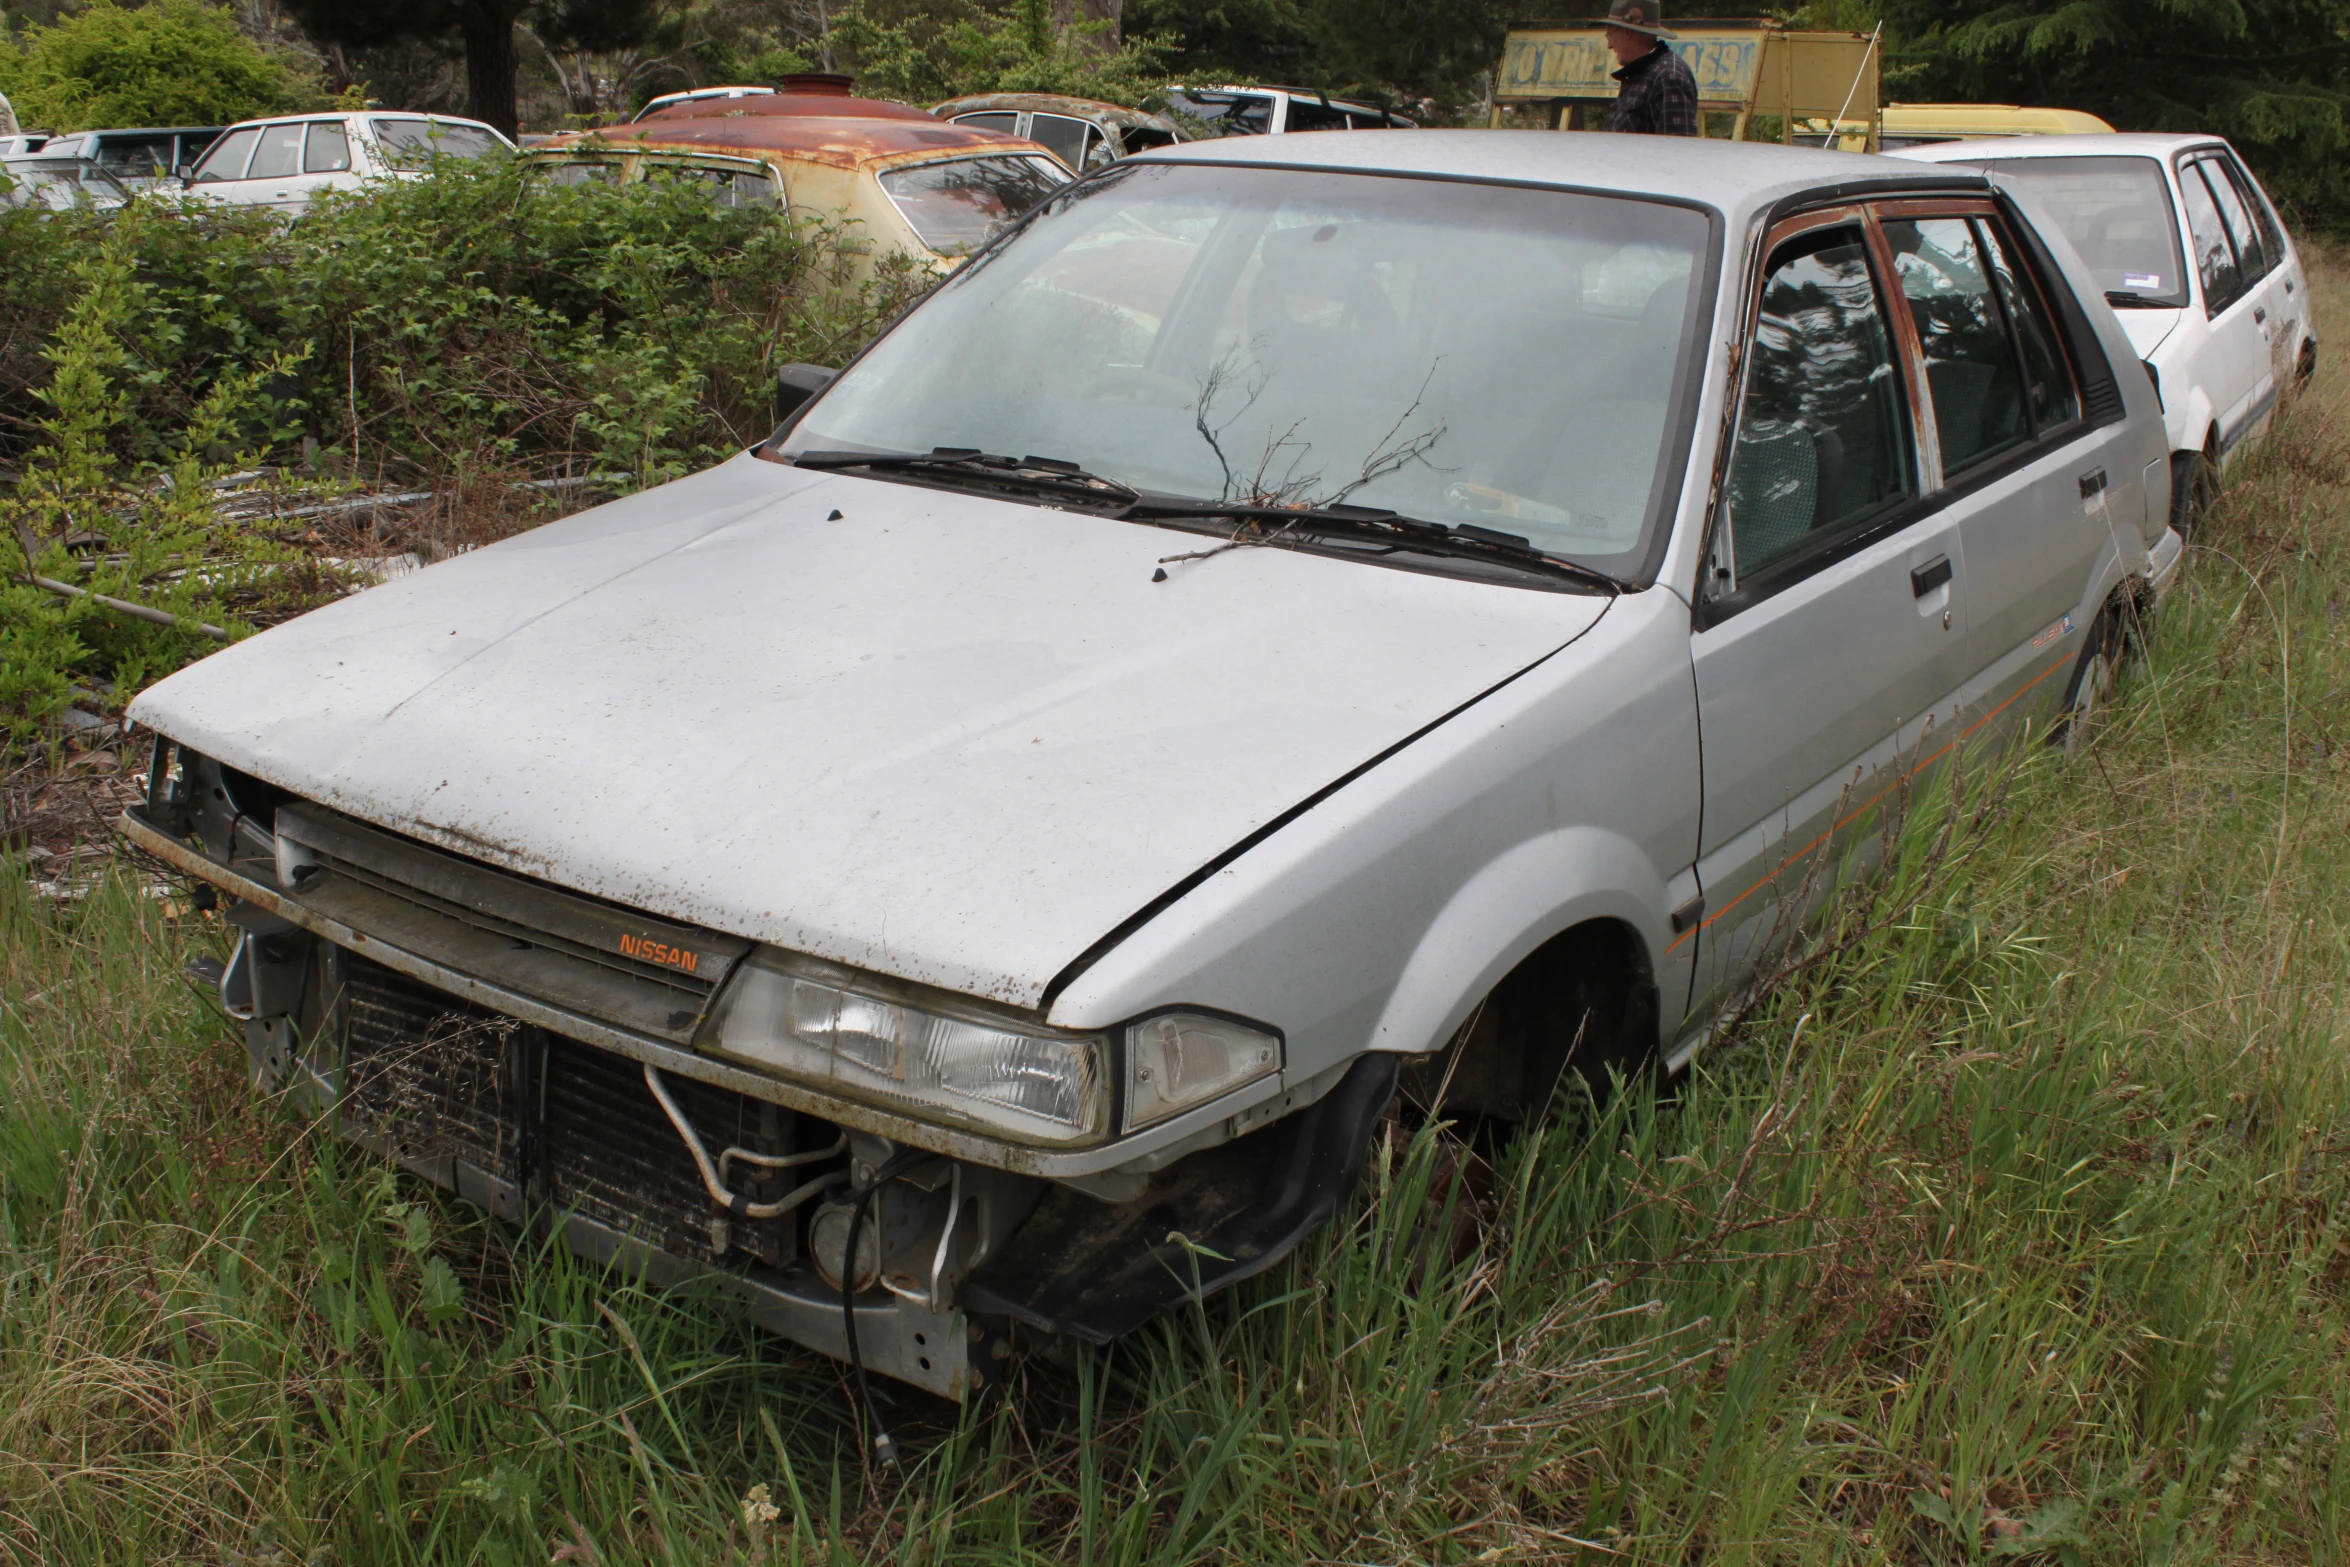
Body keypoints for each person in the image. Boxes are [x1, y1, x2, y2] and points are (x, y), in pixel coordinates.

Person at [1602, 0, 1698, 137]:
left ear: (1627, 32)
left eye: (1610, 36)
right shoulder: (1642, 72)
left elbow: (1678, 150)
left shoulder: (1668, 77)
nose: (1609, 45)